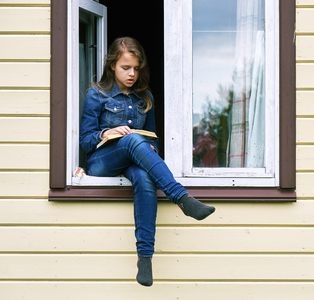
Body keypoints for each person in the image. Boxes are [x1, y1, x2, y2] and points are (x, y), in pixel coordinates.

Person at [79, 37, 215, 287]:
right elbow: (85, 142)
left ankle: (145, 258)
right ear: (112, 66)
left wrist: (150, 147)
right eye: (125, 68)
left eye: (136, 68)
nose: (132, 74)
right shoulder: (96, 94)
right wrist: (105, 133)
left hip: (132, 160)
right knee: (131, 140)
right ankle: (182, 198)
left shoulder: (145, 97)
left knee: (143, 177)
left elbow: (154, 139)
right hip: (102, 161)